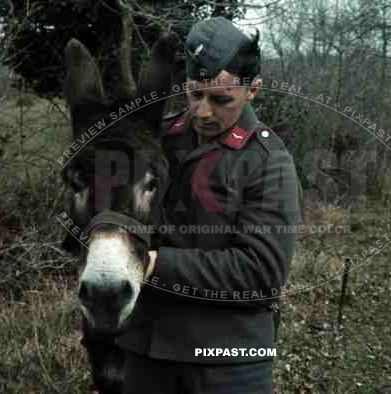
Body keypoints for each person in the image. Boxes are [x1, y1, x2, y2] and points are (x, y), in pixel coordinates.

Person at [114, 17, 302, 393]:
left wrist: (153, 263)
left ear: (253, 90)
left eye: (220, 100)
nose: (202, 112)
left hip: (226, 364)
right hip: (146, 353)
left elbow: (260, 273)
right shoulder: (162, 140)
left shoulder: (269, 160)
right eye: (194, 94)